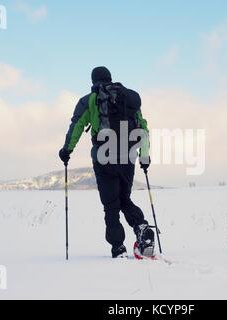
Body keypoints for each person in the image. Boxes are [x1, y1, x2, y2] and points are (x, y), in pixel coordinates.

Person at [59, 66, 154, 258]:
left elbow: (76, 126)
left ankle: (118, 248)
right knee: (124, 199)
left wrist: (66, 150)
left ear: (93, 81)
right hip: (128, 156)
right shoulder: (127, 99)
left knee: (111, 204)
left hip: (104, 158)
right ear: (110, 78)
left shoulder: (90, 100)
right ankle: (141, 226)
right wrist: (144, 156)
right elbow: (142, 127)